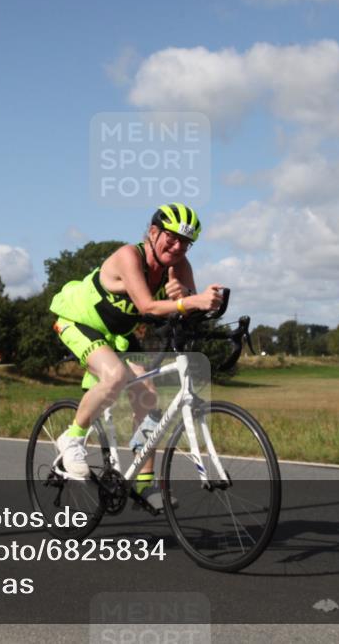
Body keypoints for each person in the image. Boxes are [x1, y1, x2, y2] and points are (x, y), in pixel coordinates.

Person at [49, 203, 223, 509]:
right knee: (114, 375)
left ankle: (143, 483)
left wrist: (190, 300)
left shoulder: (179, 265)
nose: (178, 247)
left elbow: (189, 312)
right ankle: (72, 438)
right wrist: (191, 301)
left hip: (116, 334)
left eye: (185, 242)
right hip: (78, 320)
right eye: (172, 237)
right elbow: (147, 307)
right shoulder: (129, 256)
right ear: (153, 232)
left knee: (148, 396)